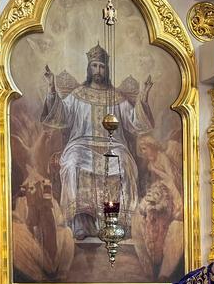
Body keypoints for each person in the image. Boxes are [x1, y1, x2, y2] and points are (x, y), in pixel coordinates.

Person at [40, 43, 153, 240]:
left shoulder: (116, 97)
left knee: (124, 164)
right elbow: (61, 115)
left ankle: (119, 223)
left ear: (106, 69)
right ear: (89, 68)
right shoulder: (78, 95)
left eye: (101, 66)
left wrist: (143, 95)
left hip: (113, 145)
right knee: (72, 162)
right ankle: (82, 222)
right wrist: (51, 88)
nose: (98, 70)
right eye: (94, 66)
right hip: (81, 144)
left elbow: (134, 121)